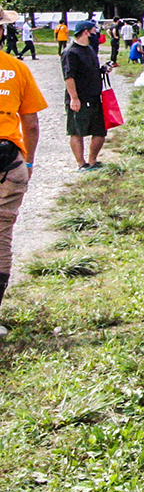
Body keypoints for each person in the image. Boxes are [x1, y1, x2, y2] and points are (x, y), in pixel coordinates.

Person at [0, 45, 46, 336]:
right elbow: (30, 124)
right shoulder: (16, 68)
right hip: (8, 160)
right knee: (1, 238)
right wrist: (27, 162)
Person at [62, 20, 108, 170]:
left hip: (95, 96)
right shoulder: (71, 53)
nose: (97, 34)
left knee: (100, 131)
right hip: (79, 98)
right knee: (77, 131)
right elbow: (69, 77)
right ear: (86, 32)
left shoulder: (89, 49)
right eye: (95, 31)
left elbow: (90, 70)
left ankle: (93, 160)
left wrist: (103, 70)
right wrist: (74, 98)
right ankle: (81, 163)